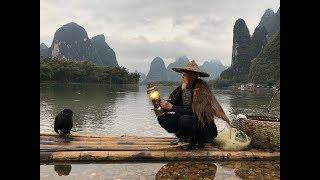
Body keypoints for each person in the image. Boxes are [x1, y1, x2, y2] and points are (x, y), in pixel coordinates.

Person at [157, 60, 230, 150]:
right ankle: (183, 137)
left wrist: (172, 107)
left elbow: (195, 111)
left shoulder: (201, 90)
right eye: (182, 74)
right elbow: (174, 103)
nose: (182, 76)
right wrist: (162, 104)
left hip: (204, 128)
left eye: (185, 74)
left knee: (184, 119)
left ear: (193, 76)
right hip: (189, 123)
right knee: (162, 118)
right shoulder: (182, 89)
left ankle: (194, 141)